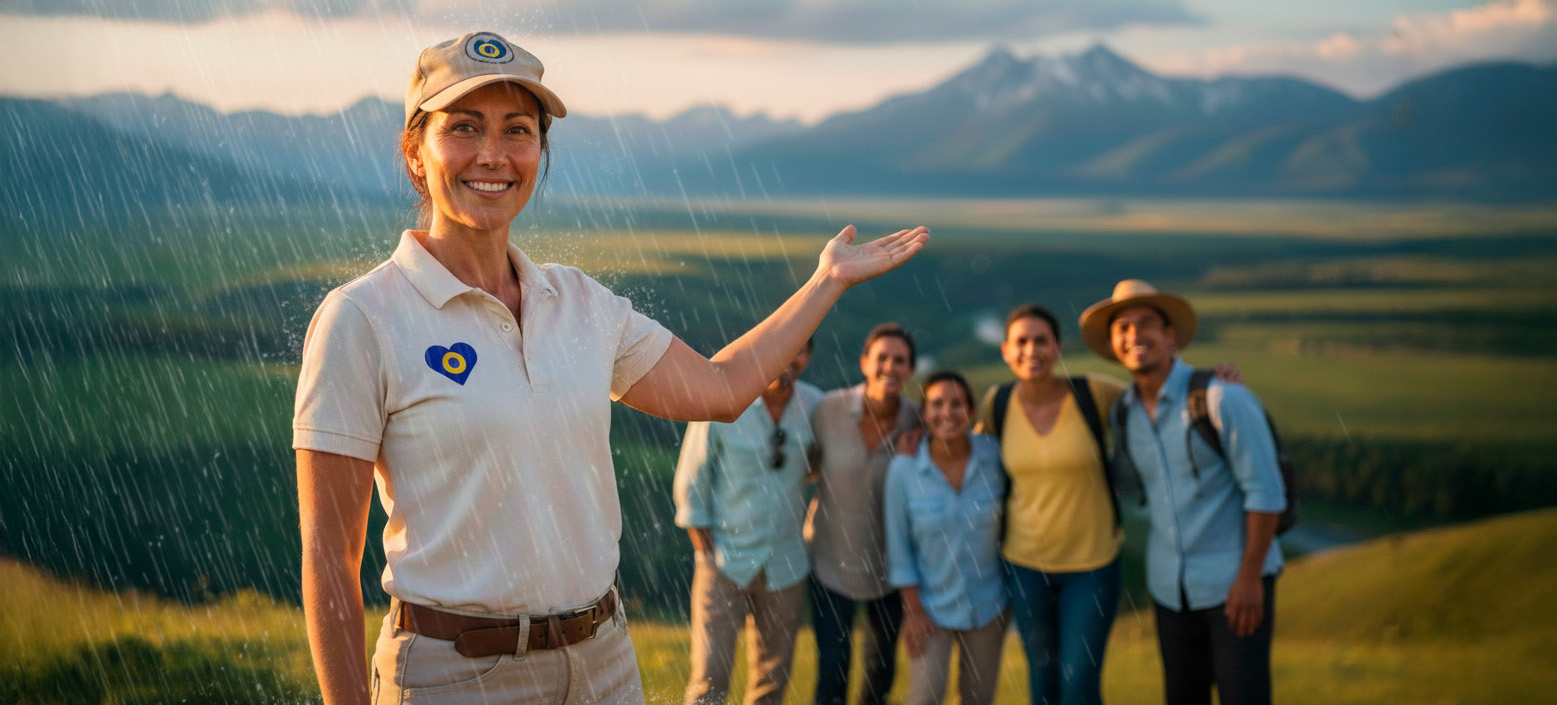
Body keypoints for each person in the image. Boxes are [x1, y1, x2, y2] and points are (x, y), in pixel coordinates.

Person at [293, 30, 928, 705]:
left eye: (517, 130)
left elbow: (718, 388)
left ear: (539, 151)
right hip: (453, 673)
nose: (492, 154)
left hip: (603, 664)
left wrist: (825, 281)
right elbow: (329, 558)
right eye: (464, 127)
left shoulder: (579, 302)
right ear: (416, 151)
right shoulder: (362, 317)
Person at [1078, 280, 1285, 705]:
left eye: (1146, 323)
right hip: (1169, 589)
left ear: (1170, 335)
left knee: (1244, 696)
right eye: (1123, 328)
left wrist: (1249, 579)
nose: (1134, 335)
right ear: (1114, 344)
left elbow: (1266, 493)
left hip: (1234, 584)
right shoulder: (1123, 413)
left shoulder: (1223, 398)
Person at [974, 304, 1125, 705]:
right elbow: (966, 453)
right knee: (1042, 686)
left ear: (1057, 347)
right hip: (1024, 568)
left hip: (1091, 568)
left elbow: (1157, 396)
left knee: (1078, 687)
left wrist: (1209, 381)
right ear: (1006, 350)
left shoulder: (1095, 393)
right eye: (1020, 342)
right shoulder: (997, 403)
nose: (1031, 350)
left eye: (1041, 340)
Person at [672, 340, 823, 705]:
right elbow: (693, 476)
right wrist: (703, 545)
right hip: (724, 558)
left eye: (799, 350)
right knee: (711, 675)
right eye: (785, 348)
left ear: (808, 357)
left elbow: (823, 459)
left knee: (773, 677)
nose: (789, 358)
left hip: (786, 561)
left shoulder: (815, 405)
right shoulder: (727, 399)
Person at [806, 323, 922, 705]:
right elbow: (803, 466)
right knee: (833, 671)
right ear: (864, 363)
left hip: (889, 569)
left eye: (899, 360)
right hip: (829, 562)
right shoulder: (829, 409)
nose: (890, 367)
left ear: (911, 369)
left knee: (881, 675)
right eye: (882, 358)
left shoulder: (918, 423)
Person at [884, 371, 1008, 705]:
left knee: (979, 698)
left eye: (957, 404)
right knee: (923, 697)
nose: (947, 413)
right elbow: (899, 550)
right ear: (923, 414)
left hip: (989, 607)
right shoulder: (904, 471)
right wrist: (913, 612)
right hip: (929, 609)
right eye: (937, 404)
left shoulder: (995, 456)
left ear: (971, 411)